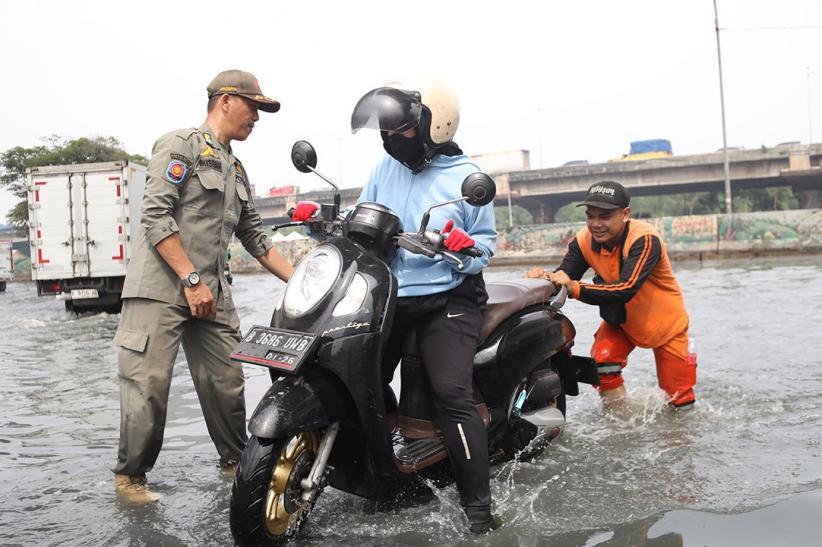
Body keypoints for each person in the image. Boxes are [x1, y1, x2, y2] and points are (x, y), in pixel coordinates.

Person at [292, 80, 499, 534]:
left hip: (449, 299)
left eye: (401, 130)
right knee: (348, 372)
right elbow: (363, 226)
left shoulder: (468, 177)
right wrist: (318, 227)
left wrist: (464, 247)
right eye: (385, 131)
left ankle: (480, 514)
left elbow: (486, 249)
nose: (390, 139)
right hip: (387, 297)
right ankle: (380, 463)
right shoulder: (384, 168)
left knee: (451, 393)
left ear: (433, 126)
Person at [112, 69, 294, 503]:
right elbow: (156, 215)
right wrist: (191, 279)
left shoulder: (236, 168)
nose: (257, 117)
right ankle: (130, 479)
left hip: (211, 292)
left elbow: (257, 240)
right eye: (254, 107)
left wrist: (305, 282)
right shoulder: (180, 145)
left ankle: (236, 467)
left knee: (227, 382)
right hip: (161, 288)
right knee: (148, 387)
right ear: (226, 100)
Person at [526, 181, 696, 409]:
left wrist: (575, 288)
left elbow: (626, 287)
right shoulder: (583, 240)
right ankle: (620, 421)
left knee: (679, 401)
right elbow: (565, 274)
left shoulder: (644, 239)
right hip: (622, 323)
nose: (595, 224)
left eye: (604, 216)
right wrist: (545, 277)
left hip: (666, 325)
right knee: (602, 363)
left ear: (625, 214)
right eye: (590, 216)